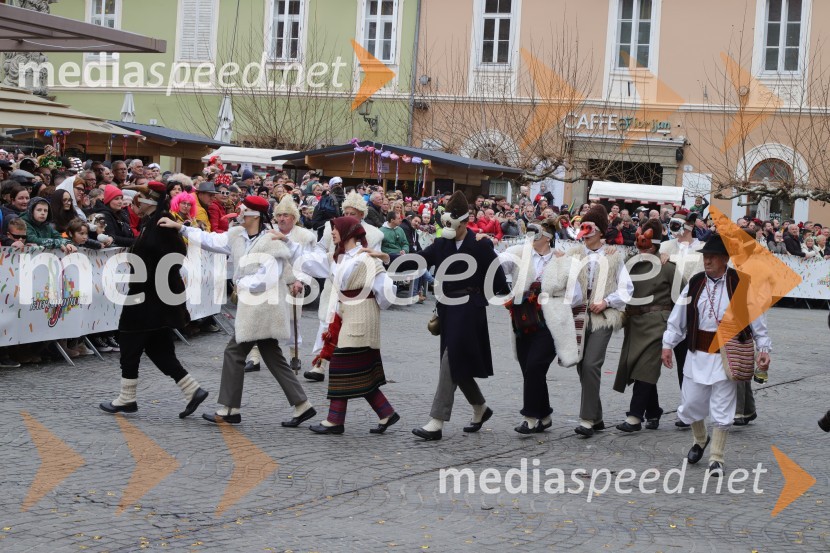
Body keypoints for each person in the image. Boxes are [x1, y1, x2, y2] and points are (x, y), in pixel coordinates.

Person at [159, 195, 315, 427]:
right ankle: (302, 405)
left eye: (243, 210)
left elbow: (269, 277)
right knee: (272, 355)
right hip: (254, 306)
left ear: (254, 215)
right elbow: (210, 239)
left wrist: (241, 285)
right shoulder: (236, 235)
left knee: (234, 352)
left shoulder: (271, 240)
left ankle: (229, 408)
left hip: (264, 307)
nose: (239, 213)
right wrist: (181, 227)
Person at [661, 233, 772, 477]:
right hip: (697, 353)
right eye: (705, 257)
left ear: (725, 259)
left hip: (727, 355)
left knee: (723, 407)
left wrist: (763, 349)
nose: (707, 261)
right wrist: (668, 344)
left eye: (712, 257)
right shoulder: (695, 282)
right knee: (690, 404)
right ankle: (700, 440)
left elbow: (757, 320)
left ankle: (717, 458)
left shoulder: (742, 283)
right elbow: (678, 316)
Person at [100, 181, 209, 418]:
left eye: (139, 200)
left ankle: (127, 398)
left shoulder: (160, 223)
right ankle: (193, 390)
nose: (135, 205)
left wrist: (153, 273)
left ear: (149, 201)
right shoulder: (156, 222)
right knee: (159, 349)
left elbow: (176, 253)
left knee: (129, 343)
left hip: (146, 298)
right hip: (156, 299)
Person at [410, 191, 510, 441]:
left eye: (453, 222)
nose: (448, 227)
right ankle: (480, 407)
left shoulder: (480, 245)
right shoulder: (442, 243)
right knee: (458, 364)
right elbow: (422, 260)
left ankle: (437, 420)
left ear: (466, 222)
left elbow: (498, 280)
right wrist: (393, 260)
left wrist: (479, 298)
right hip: (446, 307)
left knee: (450, 358)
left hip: (468, 309)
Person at [297, 216, 400, 434]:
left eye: (335, 229)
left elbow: (388, 291)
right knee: (360, 372)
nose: (332, 232)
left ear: (348, 233)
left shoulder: (368, 258)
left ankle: (335, 421)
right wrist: (286, 242)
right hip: (346, 316)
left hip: (362, 317)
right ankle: (386, 413)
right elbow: (307, 261)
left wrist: (372, 305)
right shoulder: (337, 258)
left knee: (340, 365)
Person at [552, 204, 632, 437]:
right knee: (580, 364)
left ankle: (587, 419)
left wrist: (607, 301)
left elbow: (627, 289)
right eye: (583, 227)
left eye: (588, 228)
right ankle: (596, 417)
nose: (584, 233)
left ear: (599, 231)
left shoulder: (614, 256)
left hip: (602, 317)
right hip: (578, 315)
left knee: (591, 364)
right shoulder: (574, 254)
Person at [499, 218, 579, 433]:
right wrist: (483, 246)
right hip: (523, 318)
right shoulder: (519, 253)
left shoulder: (563, 260)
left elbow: (576, 295)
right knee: (529, 368)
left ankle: (531, 417)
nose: (530, 236)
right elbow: (499, 262)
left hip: (550, 321)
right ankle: (545, 414)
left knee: (535, 365)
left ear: (548, 237)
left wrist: (554, 301)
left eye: (535, 232)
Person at [304, 191, 386, 382]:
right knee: (327, 321)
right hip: (334, 284)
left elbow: (376, 259)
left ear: (362, 215)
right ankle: (320, 364)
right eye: (346, 212)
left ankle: (344, 367)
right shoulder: (331, 228)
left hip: (356, 288)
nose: (348, 217)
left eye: (353, 214)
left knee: (347, 328)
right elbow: (320, 249)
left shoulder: (374, 234)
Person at [613, 220, 676, 432]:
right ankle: (654, 410)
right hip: (635, 323)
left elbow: (684, 297)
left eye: (648, 243)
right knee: (642, 369)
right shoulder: (629, 264)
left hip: (658, 323)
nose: (643, 247)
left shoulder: (669, 267)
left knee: (646, 367)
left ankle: (635, 416)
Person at [244, 194, 317, 373]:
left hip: (293, 284)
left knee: (293, 321)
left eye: (286, 215)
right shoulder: (268, 233)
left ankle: (294, 355)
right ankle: (254, 358)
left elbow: (306, 262)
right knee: (258, 318)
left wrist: (299, 280)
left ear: (294, 218)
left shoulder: (304, 237)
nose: (282, 219)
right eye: (279, 215)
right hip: (269, 284)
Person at [659, 208, 704, 400]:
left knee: (687, 363)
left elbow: (700, 279)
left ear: (690, 226)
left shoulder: (702, 248)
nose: (673, 227)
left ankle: (688, 407)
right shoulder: (666, 246)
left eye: (678, 223)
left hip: (692, 311)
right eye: (673, 222)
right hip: (667, 309)